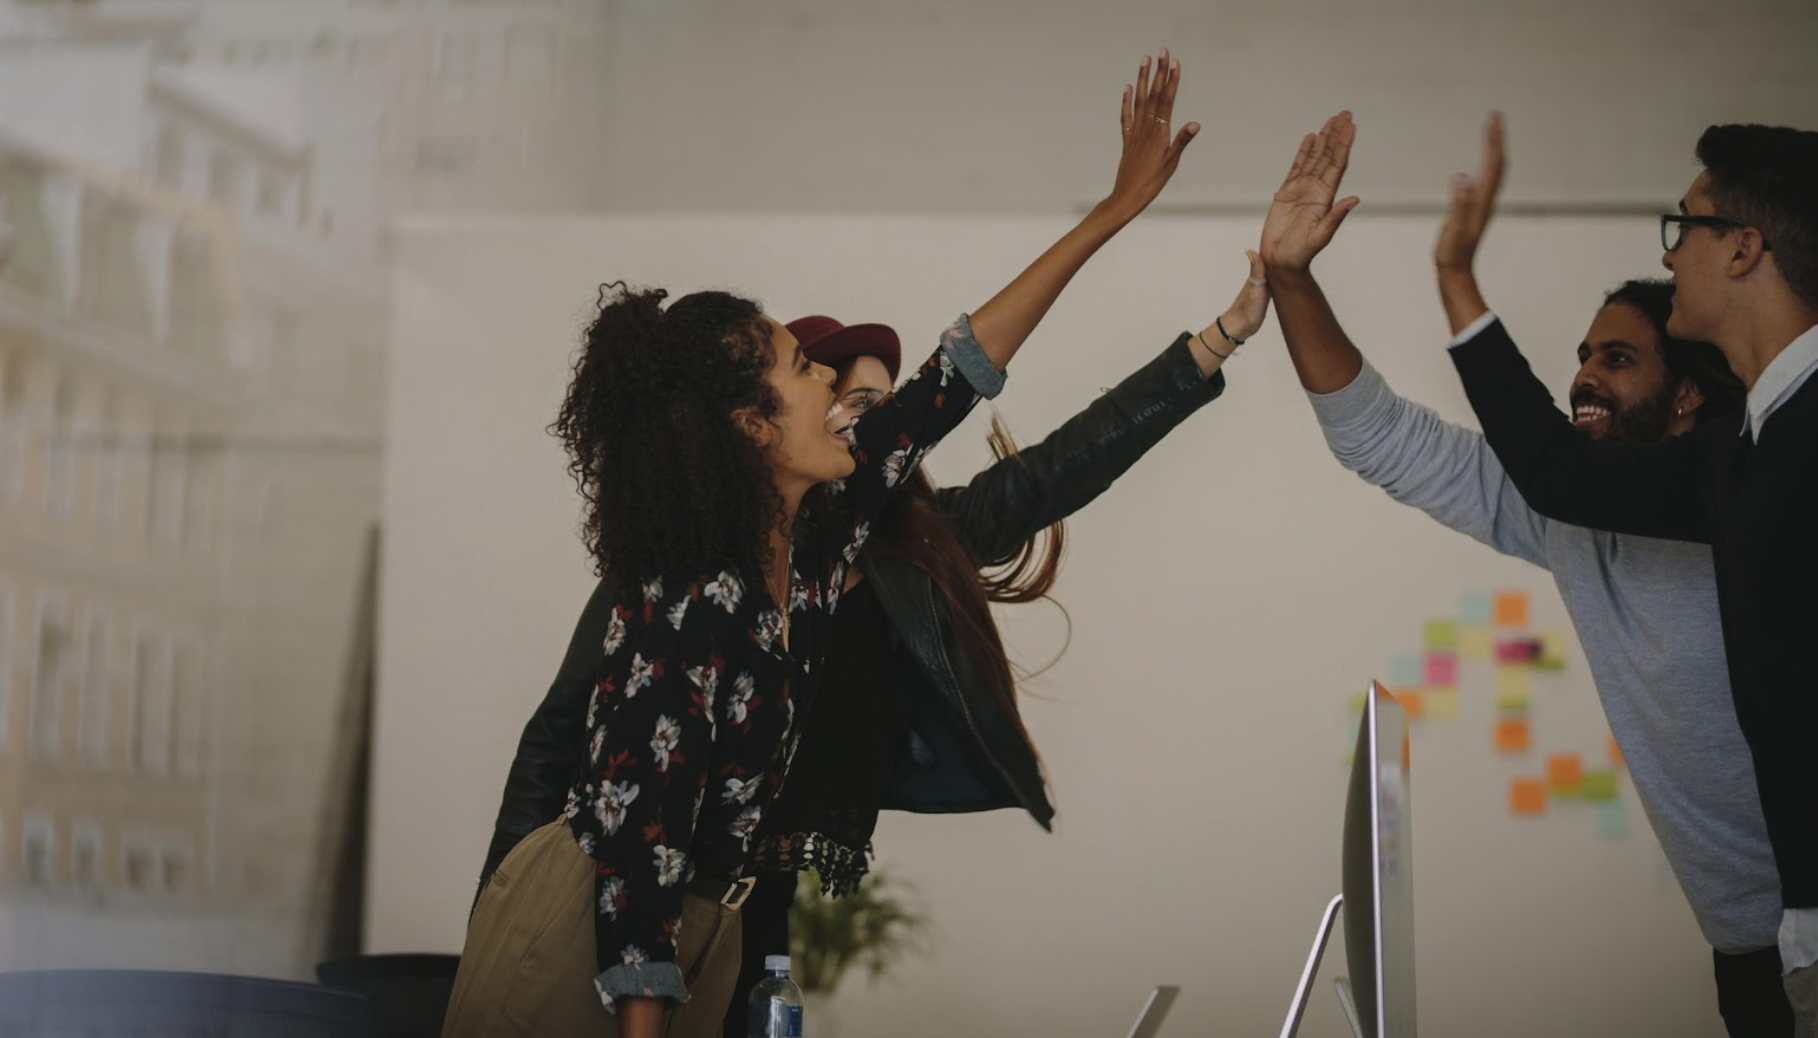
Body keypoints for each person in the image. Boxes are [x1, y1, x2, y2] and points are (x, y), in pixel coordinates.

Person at [447, 49, 1214, 1038]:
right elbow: (636, 865)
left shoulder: (815, 545)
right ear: (752, 426)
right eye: (803, 367)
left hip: (702, 935)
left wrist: (1112, 213)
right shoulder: (682, 602)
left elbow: (960, 370)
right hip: (592, 943)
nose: (832, 389)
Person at [1256, 110, 1787, 1035]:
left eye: (1616, 360)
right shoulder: (1572, 525)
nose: (1583, 378)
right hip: (1745, 950)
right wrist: (1290, 278)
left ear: (1690, 395)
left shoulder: (1745, 487)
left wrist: (1457, 278)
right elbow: (1381, 436)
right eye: (1581, 356)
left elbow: (1556, 465)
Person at [721, 258, 1270, 1034]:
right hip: (665, 881)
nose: (879, 419)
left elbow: (1062, 468)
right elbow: (567, 733)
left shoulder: (906, 545)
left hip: (759, 898)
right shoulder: (714, 561)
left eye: (886, 401)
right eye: (857, 399)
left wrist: (1221, 339)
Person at [1428, 115, 1818, 1034]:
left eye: (1685, 226)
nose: (1672, 253)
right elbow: (1561, 476)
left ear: (1743, 248)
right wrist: (1455, 280)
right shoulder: (1743, 451)